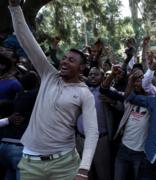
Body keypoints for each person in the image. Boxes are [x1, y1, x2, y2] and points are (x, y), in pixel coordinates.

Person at [9, 1, 99, 179]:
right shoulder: (48, 74)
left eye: (71, 60)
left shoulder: (84, 93)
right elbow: (27, 40)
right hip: (30, 163)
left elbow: (92, 132)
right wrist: (15, 8)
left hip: (65, 165)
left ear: (81, 69)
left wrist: (83, 169)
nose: (64, 61)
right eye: (64, 58)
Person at [76, 67, 112, 180]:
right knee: (85, 174)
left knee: (103, 173)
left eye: (96, 74)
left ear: (102, 77)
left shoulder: (108, 92)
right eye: (91, 74)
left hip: (100, 141)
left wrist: (112, 102)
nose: (92, 76)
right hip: (81, 140)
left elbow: (122, 106)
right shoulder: (82, 90)